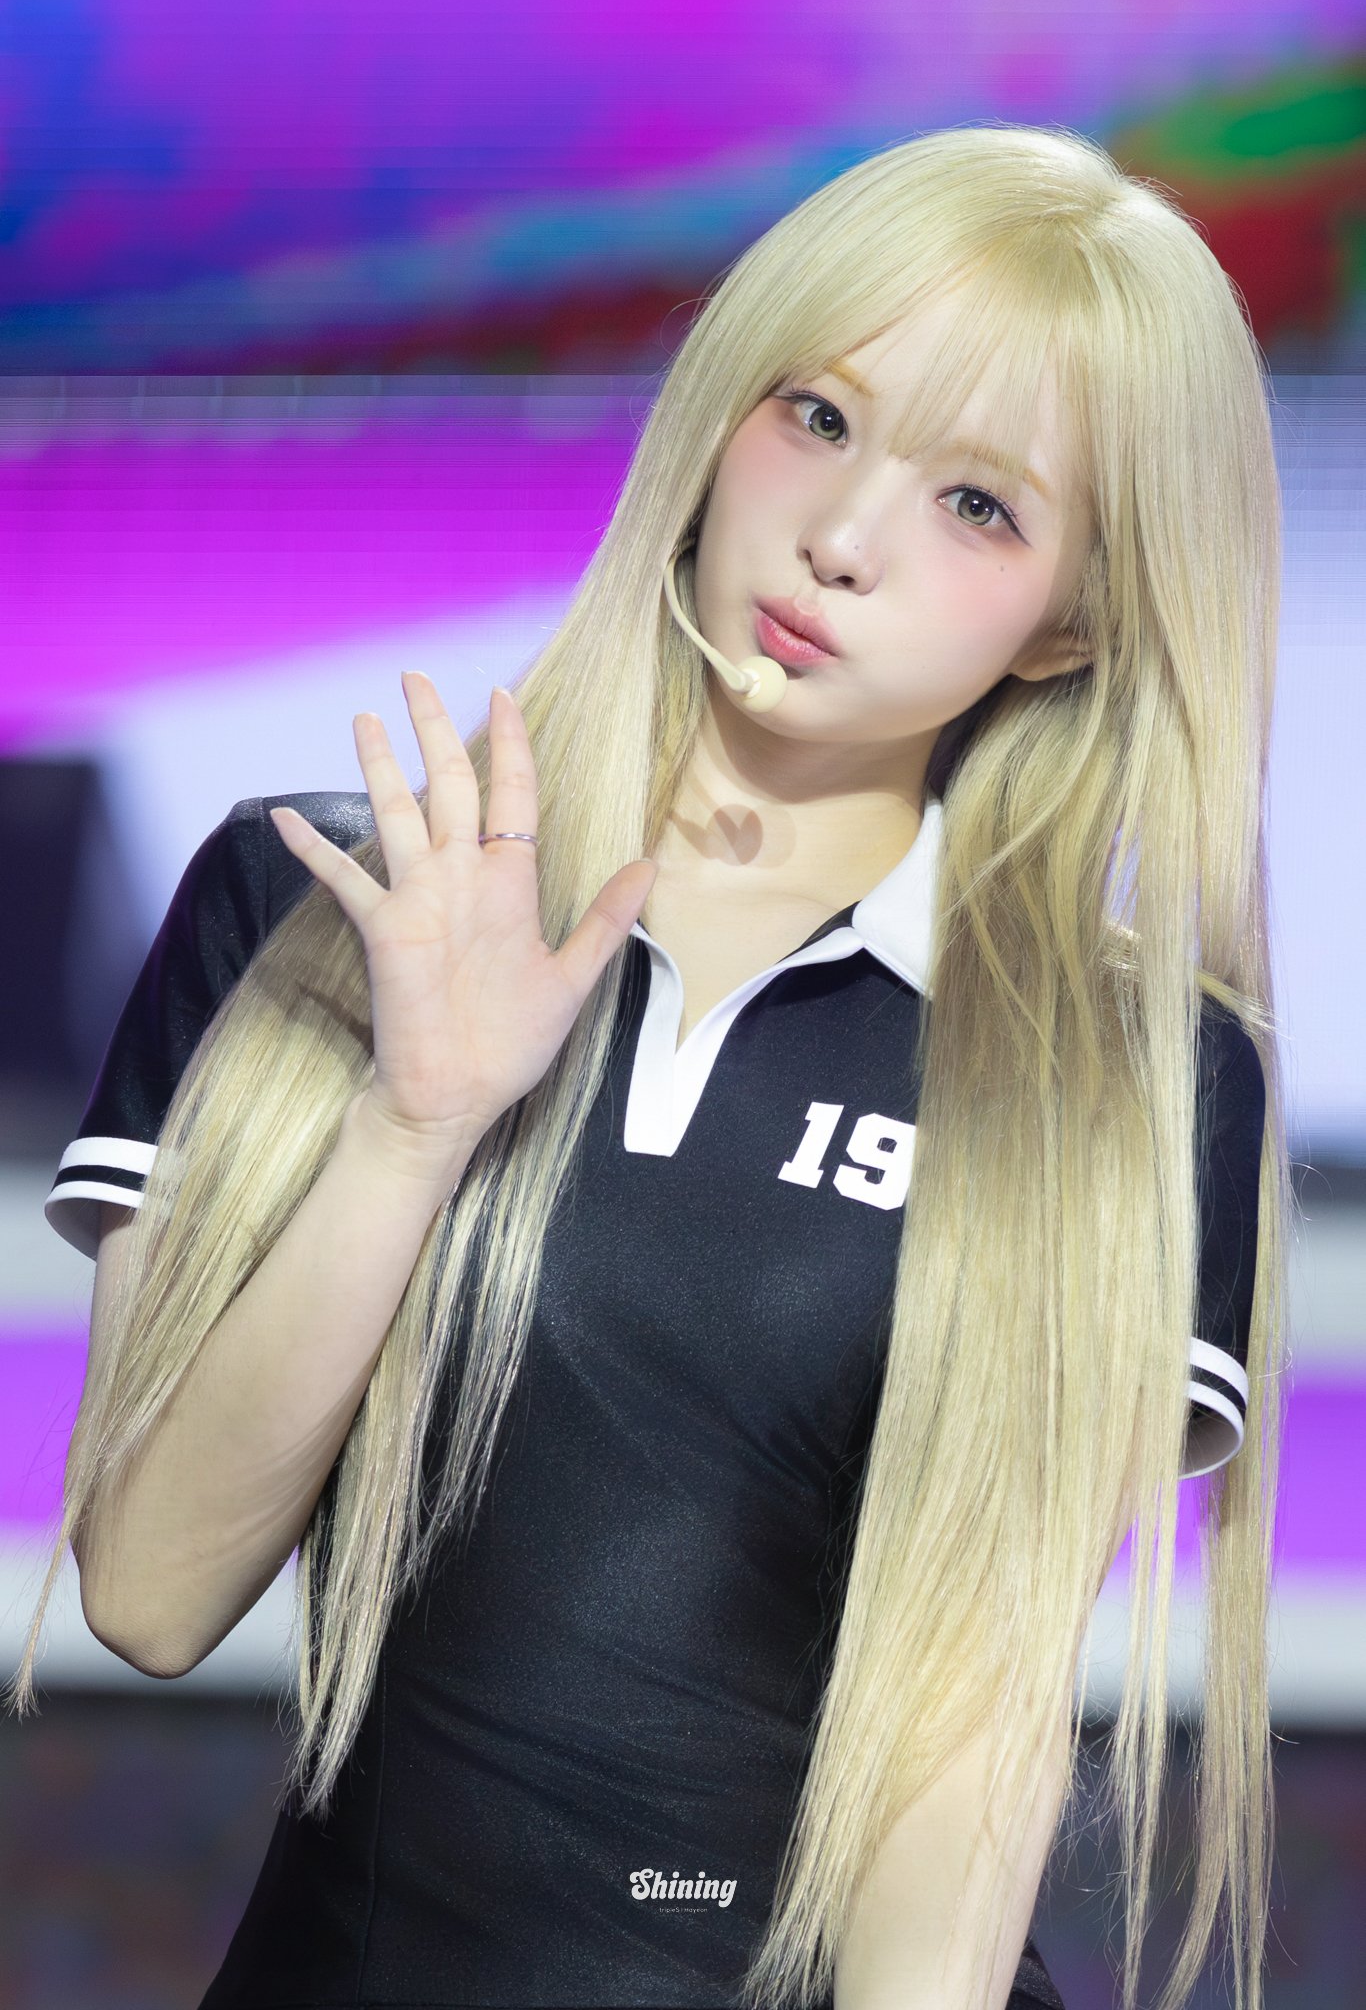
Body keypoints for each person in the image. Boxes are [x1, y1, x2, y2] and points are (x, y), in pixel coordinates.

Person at [7, 121, 1287, 2010]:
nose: (841, 539)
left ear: (1075, 618)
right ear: (717, 404)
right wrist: (415, 1119)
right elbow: (148, 1587)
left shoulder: (1129, 1073)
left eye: (978, 506)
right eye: (818, 417)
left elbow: (964, 1746)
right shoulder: (327, 904)